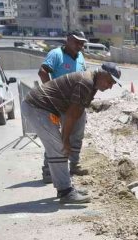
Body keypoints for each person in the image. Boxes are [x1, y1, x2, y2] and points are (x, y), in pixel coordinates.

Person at [23, 62, 122, 204]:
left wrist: (67, 138)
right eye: (109, 81)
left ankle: (65, 187)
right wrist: (66, 139)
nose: (110, 86)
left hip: (42, 108)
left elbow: (76, 113)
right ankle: (65, 192)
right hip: (37, 107)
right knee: (59, 148)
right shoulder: (85, 82)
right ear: (101, 73)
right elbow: (71, 115)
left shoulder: (91, 84)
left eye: (112, 84)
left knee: (59, 148)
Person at [38, 30, 89, 182]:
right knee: (56, 138)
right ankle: (48, 171)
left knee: (77, 136)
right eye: (76, 42)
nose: (79, 45)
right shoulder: (56, 54)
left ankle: (74, 164)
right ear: (68, 40)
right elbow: (42, 72)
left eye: (82, 43)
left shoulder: (80, 56)